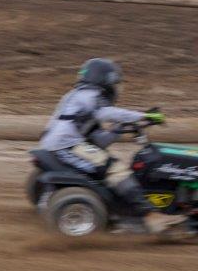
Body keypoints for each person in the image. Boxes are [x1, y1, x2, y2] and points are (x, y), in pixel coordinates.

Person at [38, 58, 185, 234]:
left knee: (104, 159)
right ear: (104, 80)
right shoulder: (91, 96)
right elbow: (108, 113)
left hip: (58, 143)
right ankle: (152, 216)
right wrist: (144, 116)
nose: (115, 87)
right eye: (114, 82)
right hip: (66, 145)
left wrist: (117, 130)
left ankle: (121, 200)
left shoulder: (76, 95)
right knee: (116, 169)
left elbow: (97, 139)